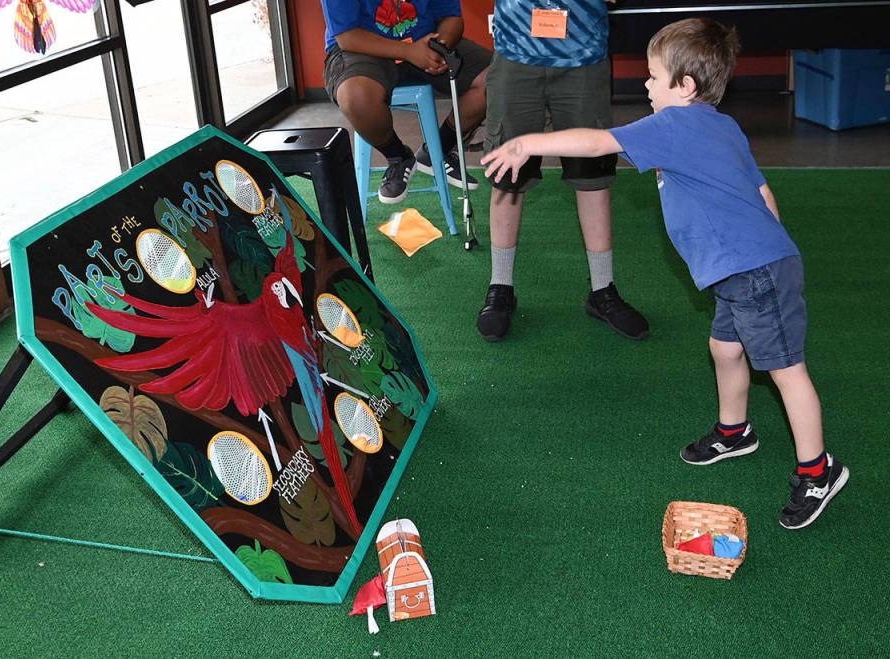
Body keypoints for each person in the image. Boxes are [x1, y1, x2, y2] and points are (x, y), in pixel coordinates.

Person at [482, 17, 849, 529]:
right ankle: (734, 431)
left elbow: (596, 142)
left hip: (754, 271)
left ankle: (817, 470)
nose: (646, 85)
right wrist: (764, 250)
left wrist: (527, 145)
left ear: (685, 87)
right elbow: (763, 193)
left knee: (788, 372)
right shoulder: (722, 124)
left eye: (653, 76)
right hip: (743, 269)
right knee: (724, 348)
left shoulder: (673, 125)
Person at [477, 0, 649, 342]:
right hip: (516, 53)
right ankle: (501, 287)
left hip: (584, 55)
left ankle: (603, 290)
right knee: (508, 173)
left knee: (593, 177)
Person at [320, 0, 490, 203]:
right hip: (362, 49)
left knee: (498, 78)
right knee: (355, 98)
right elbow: (348, 37)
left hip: (427, 41)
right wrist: (408, 52)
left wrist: (439, 47)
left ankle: (438, 149)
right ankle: (398, 157)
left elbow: (451, 18)